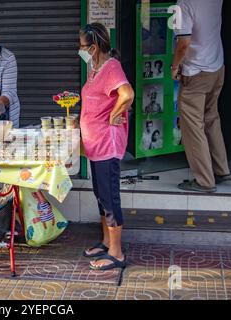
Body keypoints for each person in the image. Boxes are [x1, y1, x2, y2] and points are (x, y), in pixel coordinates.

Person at [79, 23, 135, 271]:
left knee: (110, 199)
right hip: (94, 144)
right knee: (101, 197)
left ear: (93, 46)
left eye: (81, 46)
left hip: (107, 144)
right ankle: (105, 241)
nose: (79, 50)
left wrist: (114, 115)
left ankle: (116, 253)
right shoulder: (94, 68)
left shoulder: (111, 67)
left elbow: (127, 94)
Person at [172, 0, 231, 193]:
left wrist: (174, 67)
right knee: (211, 118)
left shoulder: (185, 4)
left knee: (192, 127)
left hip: (196, 72)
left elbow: (184, 44)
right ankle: (220, 169)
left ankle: (205, 180)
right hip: (217, 66)